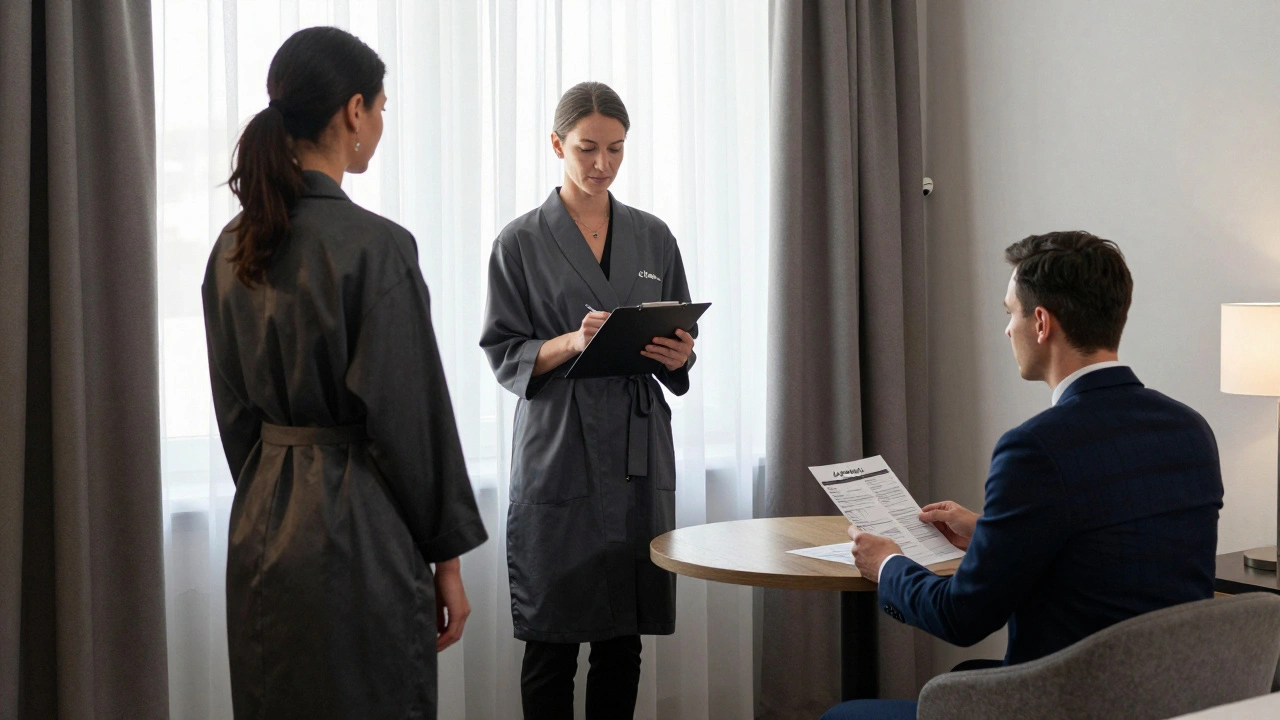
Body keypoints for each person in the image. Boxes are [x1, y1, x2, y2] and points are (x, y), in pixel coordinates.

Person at [202, 27, 487, 720]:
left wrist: (278, 474)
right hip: (360, 529)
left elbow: (234, 409)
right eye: (382, 107)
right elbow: (411, 419)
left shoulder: (233, 245)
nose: (380, 123)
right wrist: (447, 558)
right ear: (354, 110)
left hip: (265, 520)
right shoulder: (377, 247)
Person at [823, 231, 1224, 720]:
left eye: (1009, 312)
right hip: (1169, 702)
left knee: (844, 716)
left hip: (1063, 702)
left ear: (1040, 323)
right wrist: (991, 532)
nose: (1006, 330)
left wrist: (887, 564)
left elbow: (961, 616)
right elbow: (1114, 559)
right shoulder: (1190, 429)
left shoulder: (1035, 448)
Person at [480, 81, 697, 719]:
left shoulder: (653, 236)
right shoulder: (518, 243)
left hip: (635, 442)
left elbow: (681, 340)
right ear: (557, 145)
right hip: (560, 442)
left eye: (616, 150)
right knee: (553, 633)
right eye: (586, 149)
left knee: (621, 633)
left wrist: (680, 356)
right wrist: (573, 340)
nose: (602, 164)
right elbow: (503, 350)